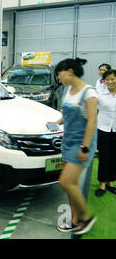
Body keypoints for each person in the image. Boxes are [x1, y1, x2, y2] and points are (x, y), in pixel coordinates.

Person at [48, 58, 97, 235]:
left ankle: (86, 216)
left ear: (69, 71)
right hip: (68, 142)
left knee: (65, 181)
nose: (58, 79)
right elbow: (66, 114)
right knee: (72, 185)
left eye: (58, 74)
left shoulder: (89, 93)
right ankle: (75, 219)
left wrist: (84, 148)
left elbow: (92, 122)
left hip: (82, 144)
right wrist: (56, 122)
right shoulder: (69, 90)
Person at [95, 69, 116, 196]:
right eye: (107, 79)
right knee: (104, 157)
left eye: (112, 79)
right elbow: (93, 110)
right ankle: (102, 184)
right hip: (103, 129)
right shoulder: (100, 93)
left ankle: (111, 183)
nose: (110, 82)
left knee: (114, 157)